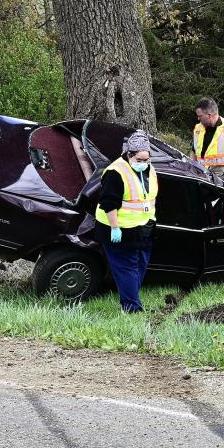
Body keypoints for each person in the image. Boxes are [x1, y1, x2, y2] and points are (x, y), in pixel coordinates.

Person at [94, 130, 158, 313]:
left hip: (143, 227)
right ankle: (131, 308)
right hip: (119, 229)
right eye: (140, 160)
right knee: (127, 267)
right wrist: (115, 227)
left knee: (140, 265)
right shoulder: (115, 172)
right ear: (129, 155)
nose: (144, 164)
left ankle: (131, 298)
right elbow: (108, 203)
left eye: (147, 160)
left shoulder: (149, 169)